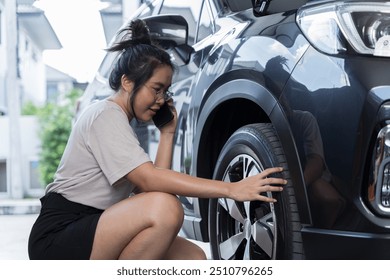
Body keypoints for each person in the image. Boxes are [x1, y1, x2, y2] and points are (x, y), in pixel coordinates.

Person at [28, 19, 286, 260]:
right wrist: (231, 189)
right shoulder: (104, 114)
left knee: (193, 259)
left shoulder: (121, 124)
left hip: (98, 224)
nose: (162, 99)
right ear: (127, 82)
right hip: (61, 234)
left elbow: (150, 190)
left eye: (166, 91)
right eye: (156, 88)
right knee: (165, 208)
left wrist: (167, 133)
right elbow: (150, 181)